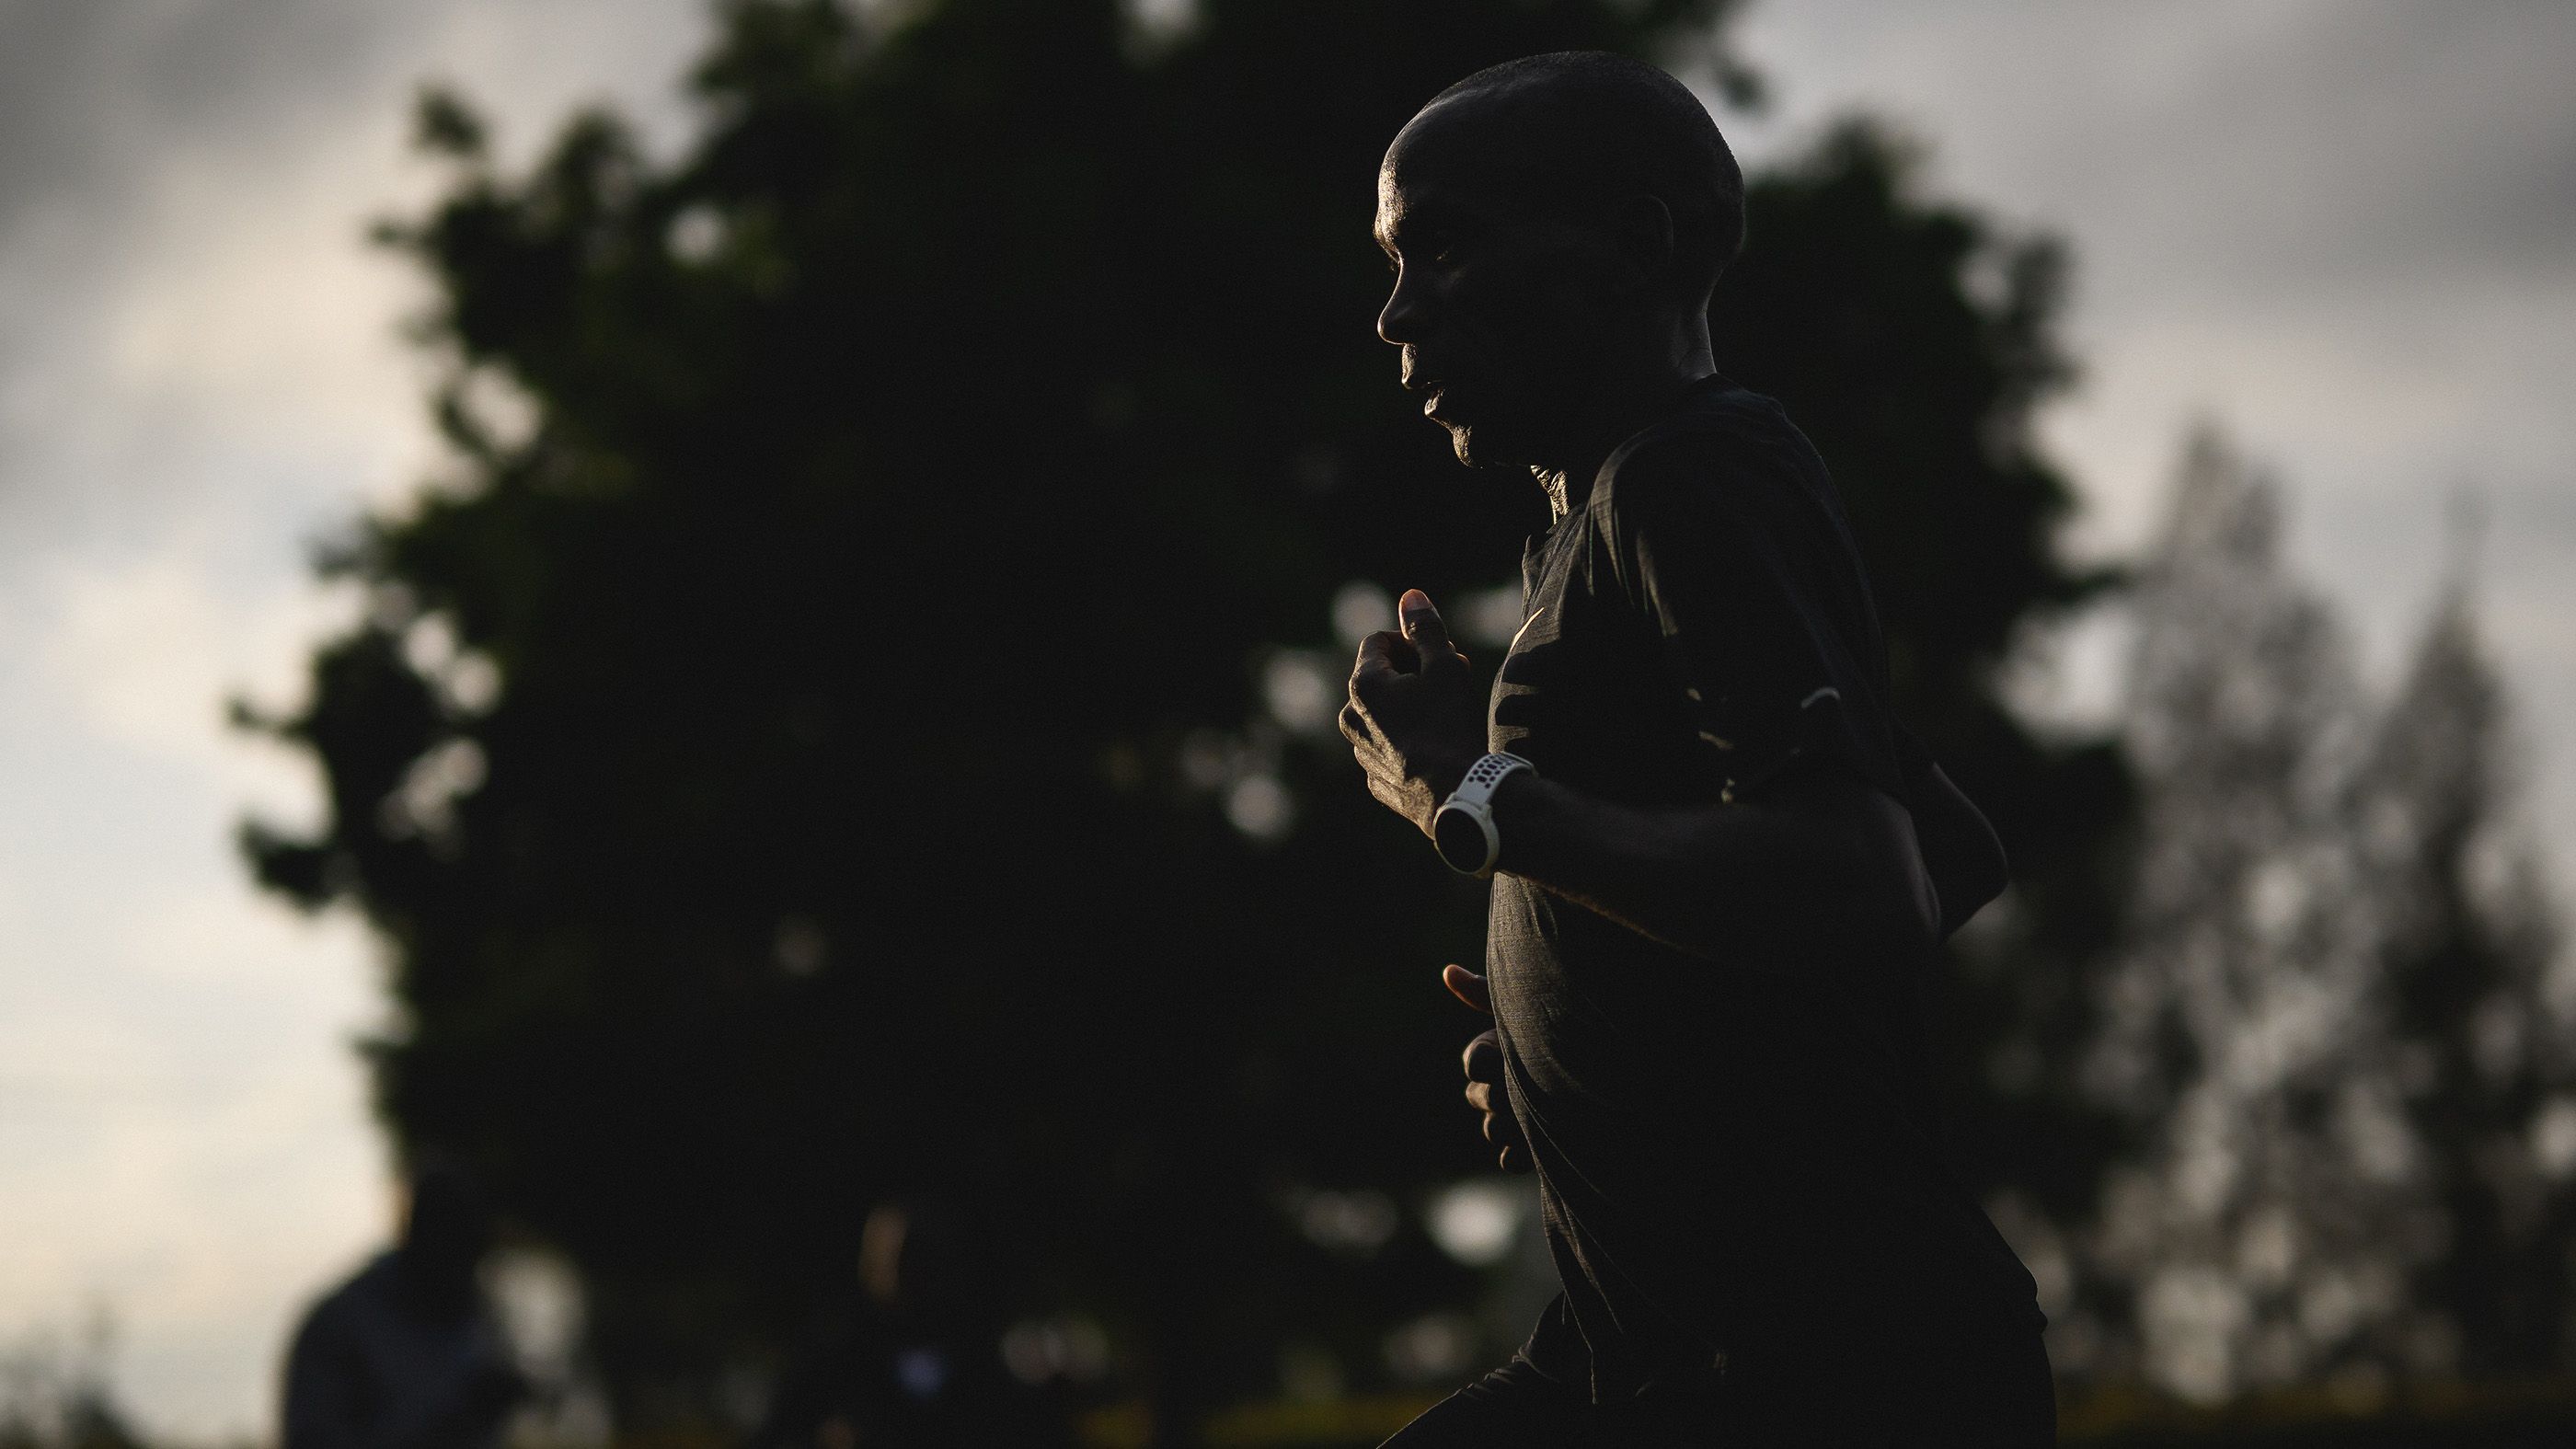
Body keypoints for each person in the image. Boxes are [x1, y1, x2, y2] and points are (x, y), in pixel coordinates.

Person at [1340, 52, 2054, 1445]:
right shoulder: (1595, 513)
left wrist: (1469, 795)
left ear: (1634, 246)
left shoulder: (1693, 476)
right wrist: (1613, 1047)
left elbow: (1870, 880)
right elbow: (1957, 845)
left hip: (1826, 1363)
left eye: (1447, 249)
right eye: (1393, 262)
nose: (1396, 312)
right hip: (1659, 1353)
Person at [749, 1200, 1072, 1449]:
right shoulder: (833, 1351)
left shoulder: (983, 1353)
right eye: (880, 1255)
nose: (892, 1270)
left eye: (910, 1254)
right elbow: (780, 1433)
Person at [280, 1160, 527, 1449]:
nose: (470, 1270)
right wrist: (453, 1423)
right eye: (458, 1249)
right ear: (422, 1237)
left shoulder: (474, 1314)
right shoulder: (341, 1328)